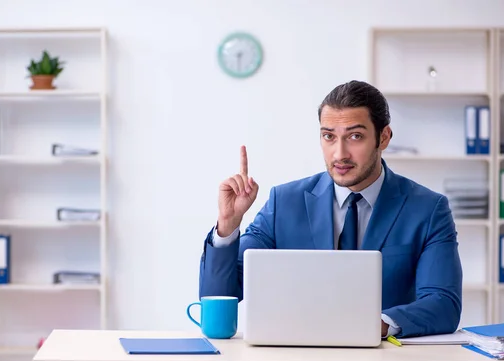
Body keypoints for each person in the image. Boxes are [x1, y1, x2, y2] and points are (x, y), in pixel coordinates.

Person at [198, 80, 462, 338]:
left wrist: (374, 326)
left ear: (383, 137)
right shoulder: (284, 202)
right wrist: (227, 225)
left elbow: (443, 304)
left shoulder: (427, 209)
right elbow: (220, 296)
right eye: (329, 137)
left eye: (355, 136)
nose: (339, 154)